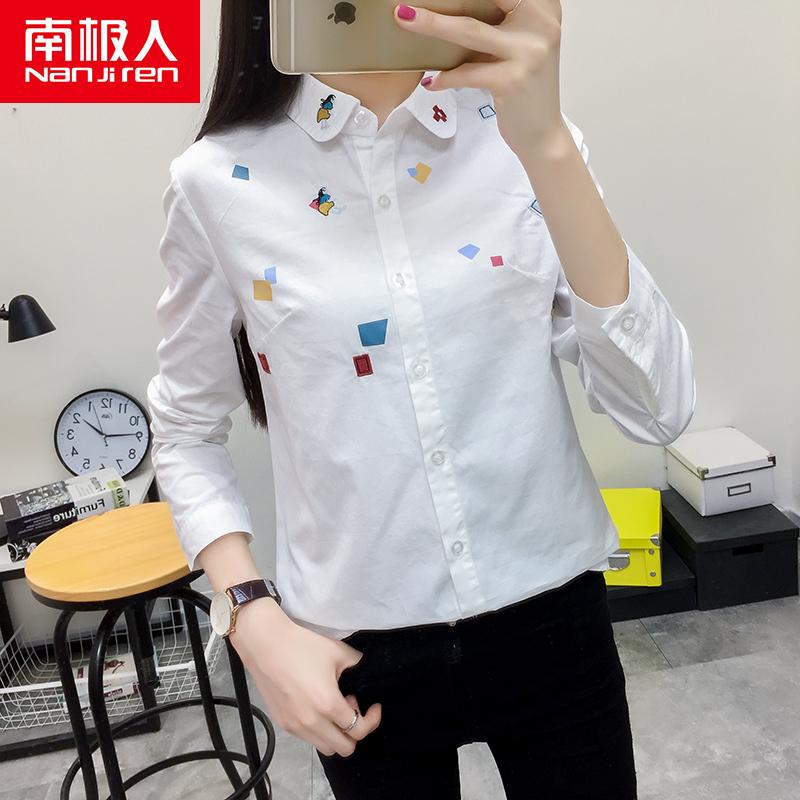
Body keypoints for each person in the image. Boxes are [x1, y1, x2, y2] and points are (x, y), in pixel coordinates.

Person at [145, 0, 696, 797]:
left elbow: (659, 409)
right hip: (354, 651)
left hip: (553, 618)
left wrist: (547, 143)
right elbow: (186, 429)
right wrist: (251, 618)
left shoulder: (523, 143)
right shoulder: (217, 182)